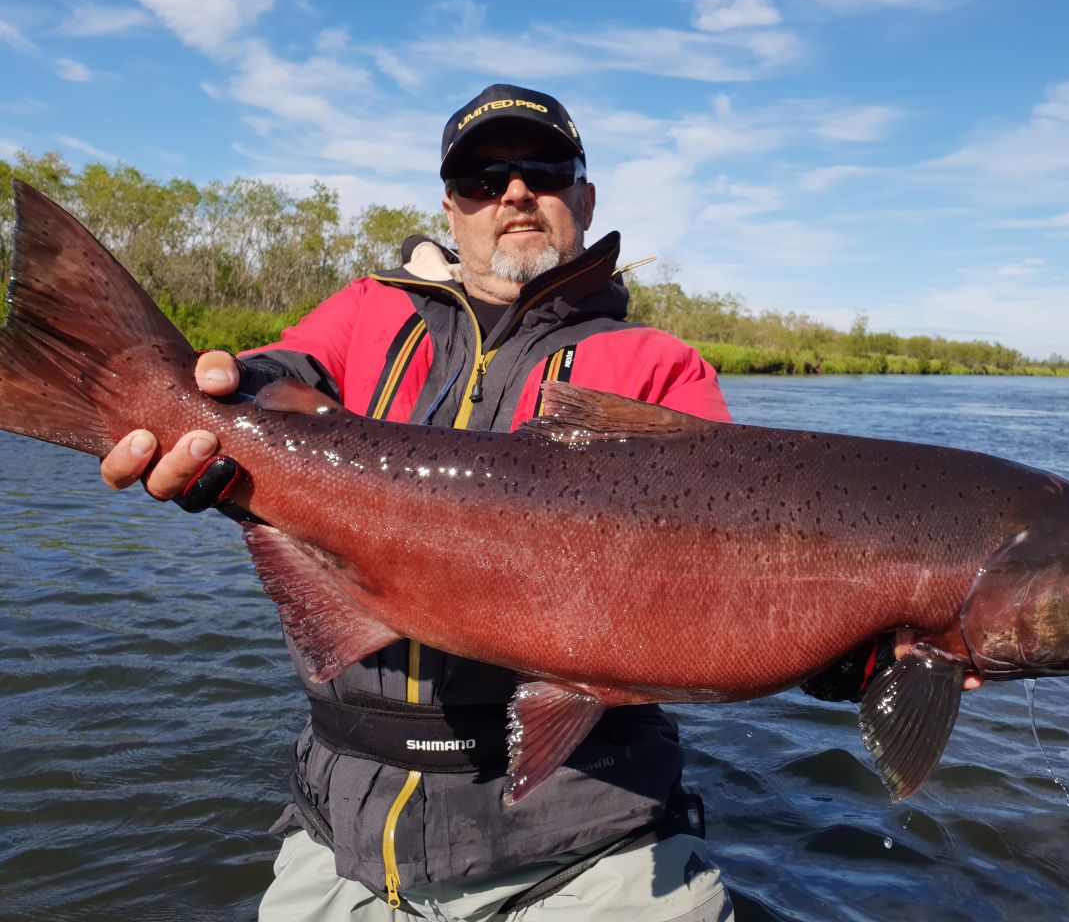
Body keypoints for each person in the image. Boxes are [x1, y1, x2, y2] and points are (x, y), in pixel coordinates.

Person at [101, 84, 738, 921]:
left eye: (544, 170)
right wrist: (213, 397)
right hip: (344, 840)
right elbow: (282, 372)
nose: (514, 192)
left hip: (595, 849)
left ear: (584, 198)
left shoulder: (658, 362)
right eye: (482, 176)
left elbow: (736, 555)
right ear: (451, 205)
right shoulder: (371, 311)